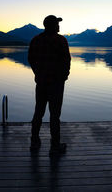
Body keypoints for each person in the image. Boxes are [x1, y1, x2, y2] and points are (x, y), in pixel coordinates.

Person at [28, 15, 71, 155]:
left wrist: (37, 73)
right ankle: (55, 146)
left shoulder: (36, 40)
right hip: (56, 85)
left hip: (41, 83)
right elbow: (66, 61)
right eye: (57, 24)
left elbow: (30, 59)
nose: (59, 26)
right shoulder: (60, 40)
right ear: (52, 25)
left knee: (38, 112)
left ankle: (34, 141)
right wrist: (64, 76)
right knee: (54, 115)